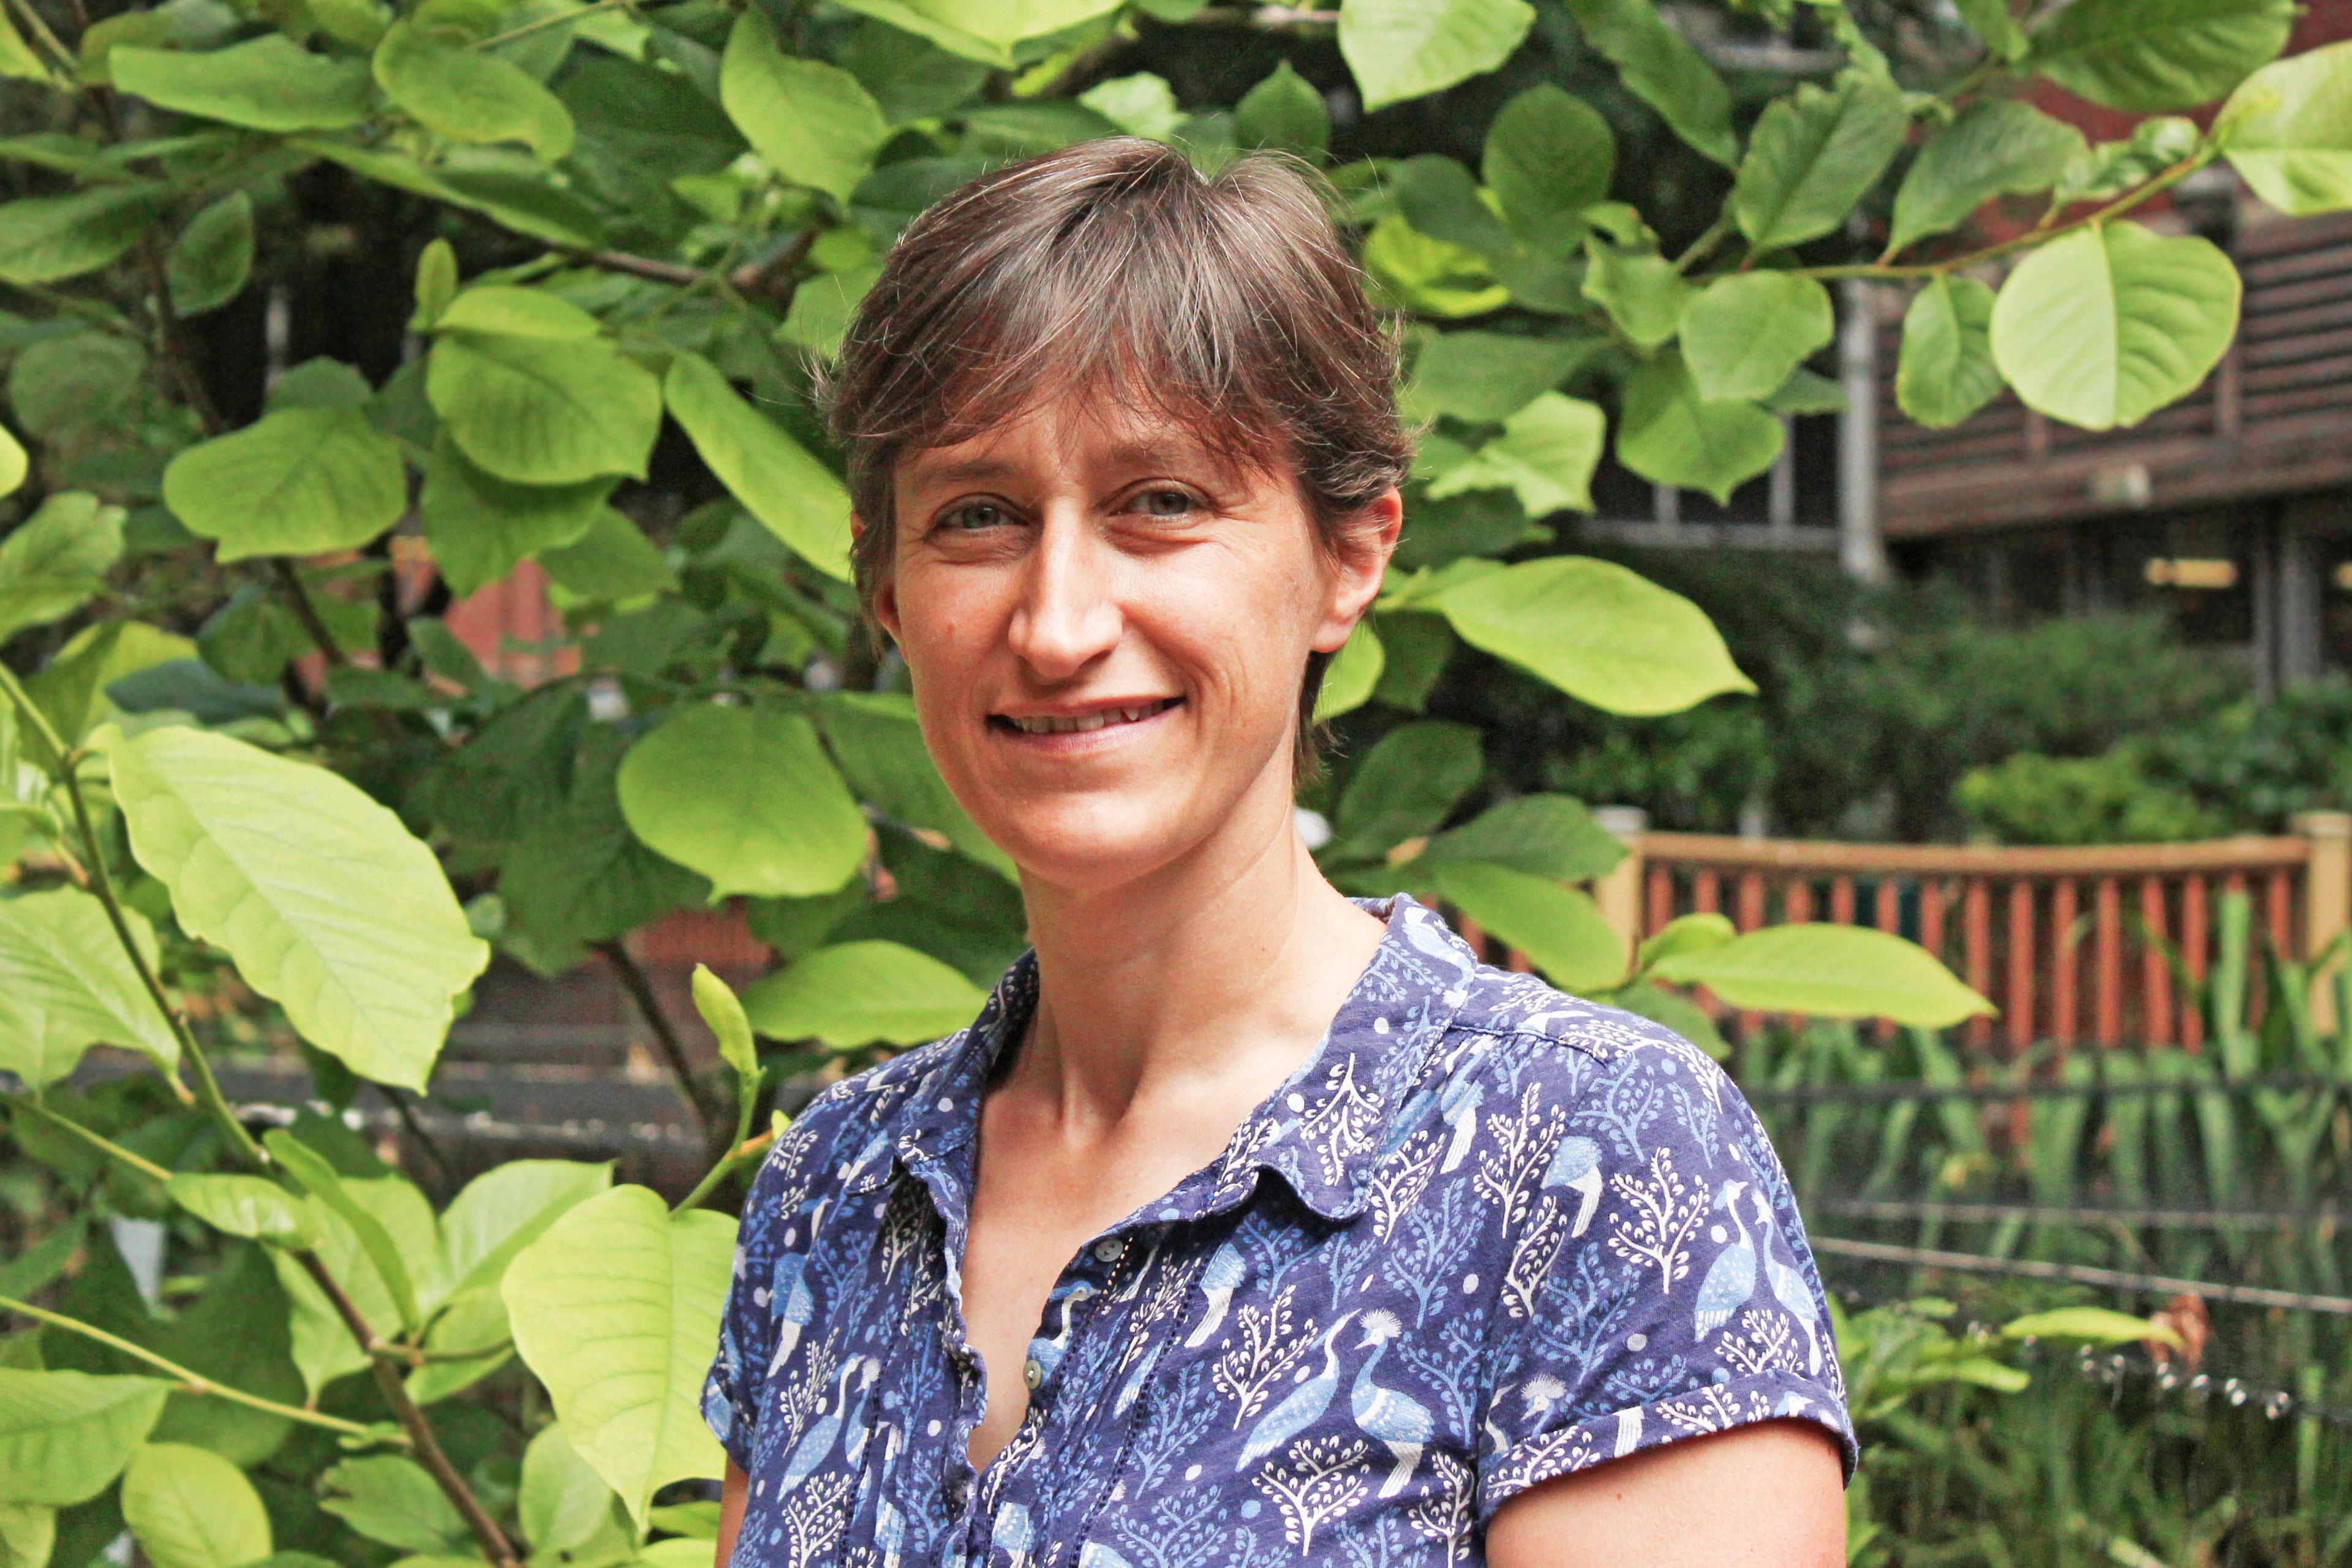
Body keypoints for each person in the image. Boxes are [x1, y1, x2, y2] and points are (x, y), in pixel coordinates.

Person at [703, 138, 1853, 1568]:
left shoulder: (1589, 1161)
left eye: (1162, 501)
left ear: (1351, 556)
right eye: (979, 516)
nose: (1058, 624)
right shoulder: (834, 1188)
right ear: (887, 589)